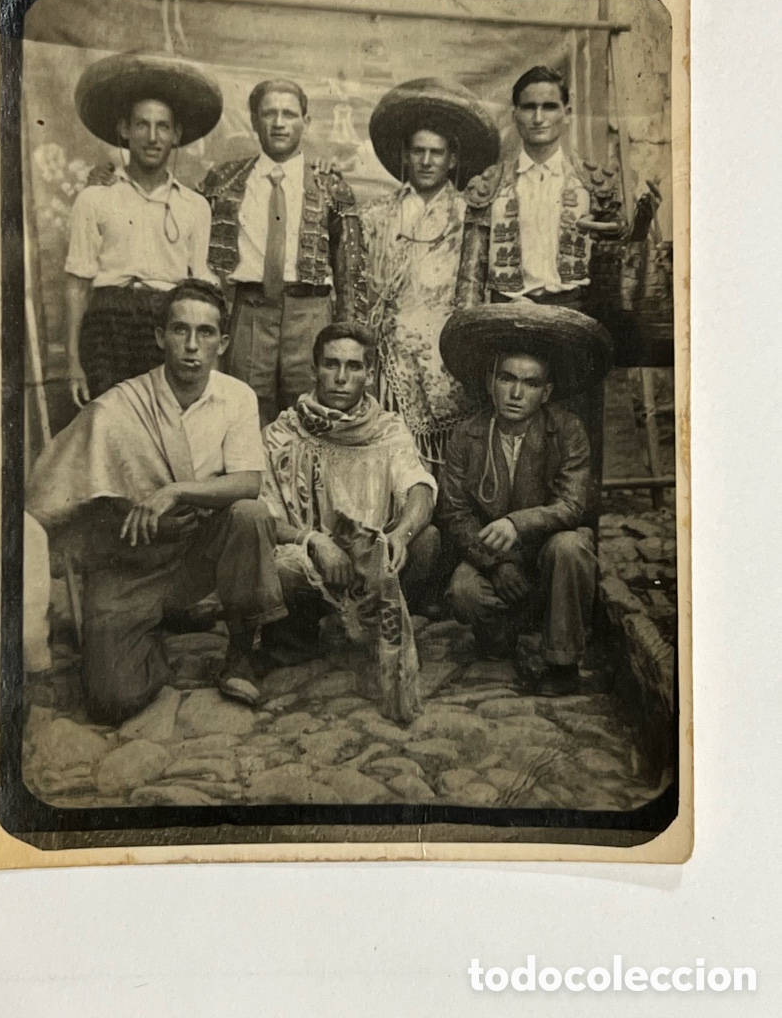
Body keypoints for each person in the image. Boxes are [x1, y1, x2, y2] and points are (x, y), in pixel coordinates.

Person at [25, 279, 286, 722]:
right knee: (113, 702)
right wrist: (134, 516)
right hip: (133, 563)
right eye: (180, 330)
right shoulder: (117, 407)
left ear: (222, 343)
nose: (191, 346)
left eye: (205, 333)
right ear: (160, 337)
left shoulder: (237, 396)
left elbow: (247, 483)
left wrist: (176, 491)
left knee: (250, 515)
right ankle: (160, 630)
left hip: (194, 553)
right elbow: (67, 506)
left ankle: (241, 652)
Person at [260, 322, 438, 722]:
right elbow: (264, 513)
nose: (342, 378)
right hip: (309, 556)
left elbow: (420, 489)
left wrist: (400, 535)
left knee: (428, 541)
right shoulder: (283, 432)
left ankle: (372, 627)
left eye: (354, 367)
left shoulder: (387, 429)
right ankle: (299, 633)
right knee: (278, 568)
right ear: (314, 370)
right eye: (331, 365)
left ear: (369, 374)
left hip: (368, 561)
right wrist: (313, 542)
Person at [437, 303, 613, 695]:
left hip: (547, 557)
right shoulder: (468, 435)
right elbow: (454, 511)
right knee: (464, 590)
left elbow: (571, 505)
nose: (516, 393)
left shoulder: (566, 430)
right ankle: (506, 636)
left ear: (546, 391)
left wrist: (518, 523)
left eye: (531, 383)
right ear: (490, 382)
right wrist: (496, 564)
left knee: (571, 546)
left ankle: (561, 663)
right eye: (507, 378)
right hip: (497, 563)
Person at [200, 79, 367, 427]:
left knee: (314, 411)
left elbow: (349, 273)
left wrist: (349, 339)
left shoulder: (330, 186)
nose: (278, 123)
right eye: (269, 113)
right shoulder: (224, 181)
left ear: (305, 120)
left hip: (310, 314)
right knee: (244, 412)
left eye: (289, 114)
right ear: (254, 120)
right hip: (250, 311)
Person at [66, 52, 223, 405]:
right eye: (142, 125)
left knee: (164, 423)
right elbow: (77, 286)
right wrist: (73, 363)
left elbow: (200, 282)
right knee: (110, 424)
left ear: (176, 135)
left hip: (167, 323)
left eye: (163, 127)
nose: (152, 137)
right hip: (108, 323)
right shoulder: (94, 198)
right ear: (124, 130)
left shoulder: (195, 207)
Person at [359, 78, 500, 467]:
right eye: (418, 151)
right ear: (405, 155)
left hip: (447, 355)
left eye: (435, 153)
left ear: (451, 160)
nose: (426, 161)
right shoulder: (376, 215)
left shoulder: (469, 217)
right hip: (390, 358)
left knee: (450, 458)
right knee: (393, 452)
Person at [457, 65, 624, 311]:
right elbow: (470, 275)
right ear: (515, 115)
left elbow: (613, 269)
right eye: (529, 107)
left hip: (574, 312)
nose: (538, 118)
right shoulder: (490, 185)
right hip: (507, 312)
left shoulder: (593, 184)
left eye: (549, 107)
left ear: (566, 114)